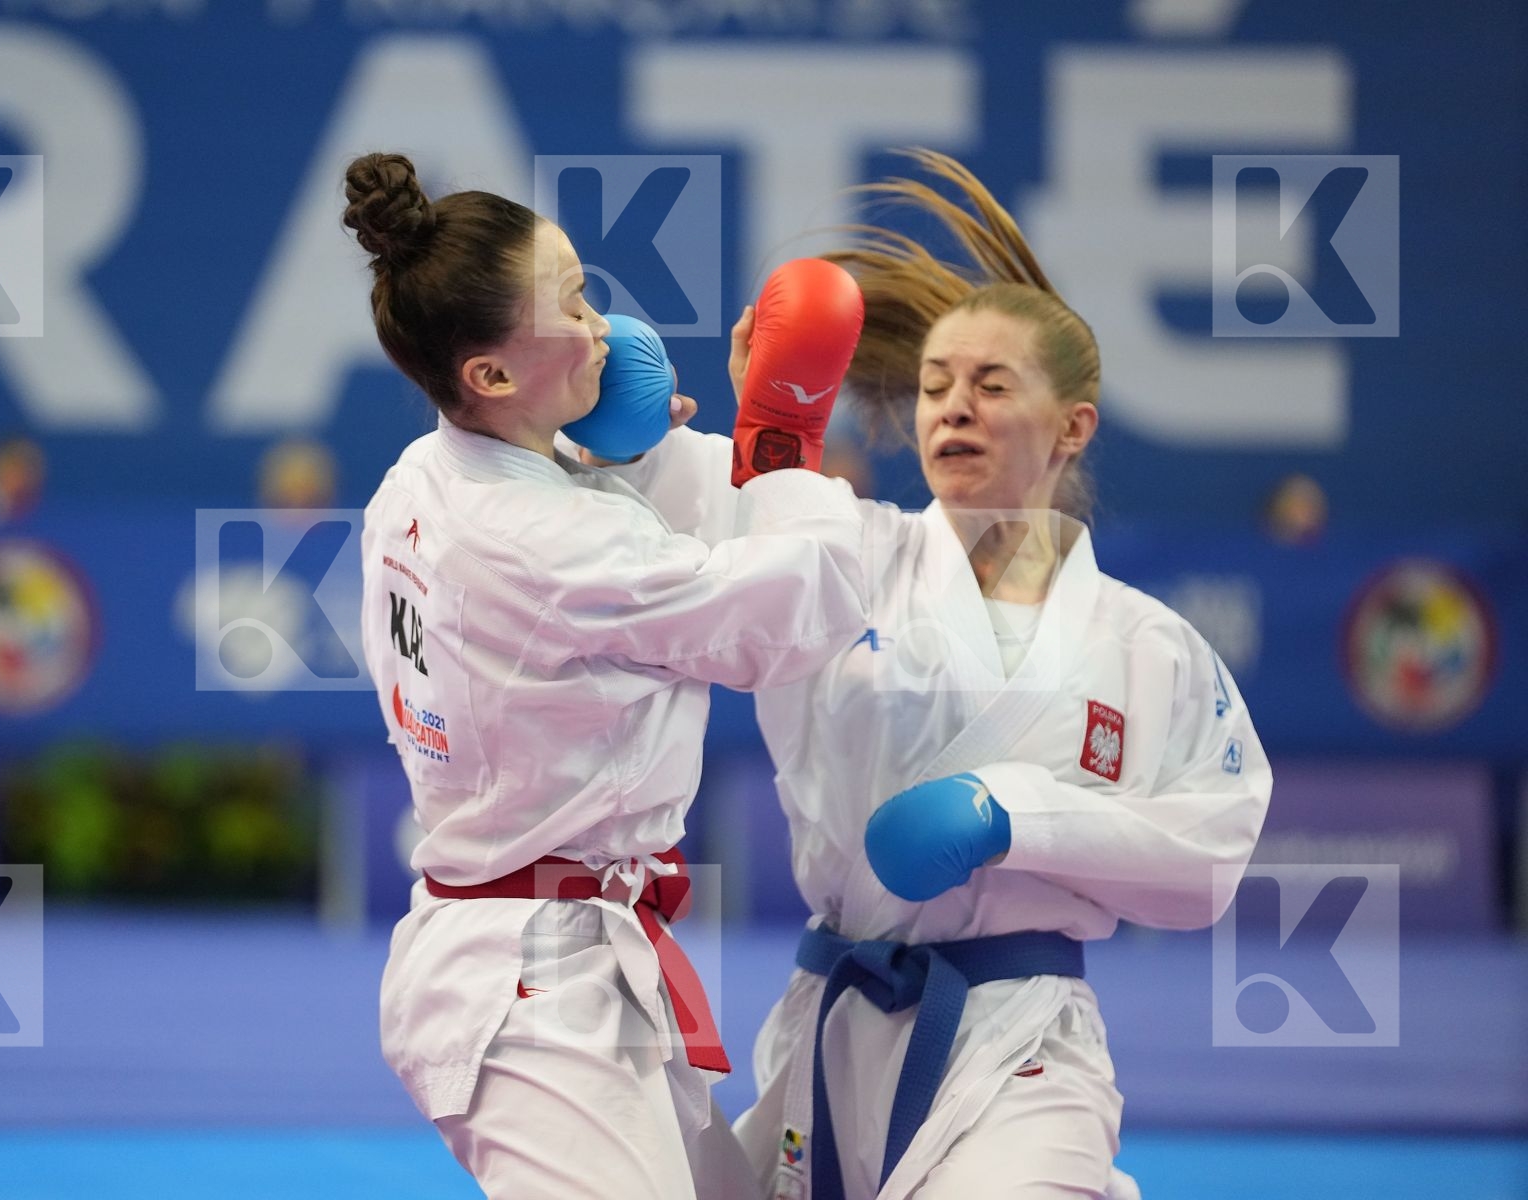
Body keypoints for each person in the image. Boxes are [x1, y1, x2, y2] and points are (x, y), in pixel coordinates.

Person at [587, 150, 1272, 1199]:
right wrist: (724, 417)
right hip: (834, 1031)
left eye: (992, 386)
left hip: (1020, 1045)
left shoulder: (1150, 645)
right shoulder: (840, 555)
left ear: (1072, 427)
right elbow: (672, 500)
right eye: (936, 386)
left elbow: (1209, 863)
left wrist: (1015, 814)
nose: (952, 408)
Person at [344, 151, 871, 1200]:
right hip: (533, 989)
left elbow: (597, 530)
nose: (604, 331)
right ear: (489, 376)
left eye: (593, 293)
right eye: (576, 308)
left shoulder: (431, 471)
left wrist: (632, 450)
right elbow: (791, 618)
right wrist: (783, 439)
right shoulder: (543, 543)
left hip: (546, 950)